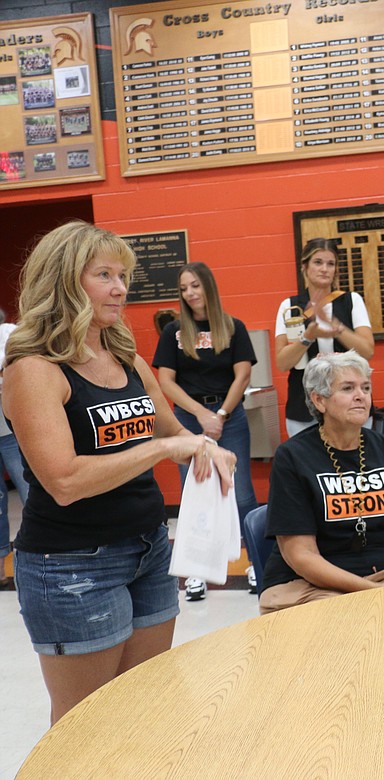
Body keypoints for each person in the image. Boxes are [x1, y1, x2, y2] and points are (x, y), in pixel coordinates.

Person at [4, 221, 235, 724]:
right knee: (84, 724)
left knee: (144, 708)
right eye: (104, 274)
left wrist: (205, 448)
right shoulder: (33, 369)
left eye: (123, 275)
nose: (120, 288)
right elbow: (63, 481)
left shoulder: (124, 355)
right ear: (65, 281)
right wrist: (162, 449)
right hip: (71, 565)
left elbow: (171, 432)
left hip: (149, 549)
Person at [259, 352, 384, 613]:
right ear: (319, 401)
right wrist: (373, 594)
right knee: (349, 625)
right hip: (313, 585)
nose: (361, 396)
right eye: (348, 388)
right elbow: (301, 555)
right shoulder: (293, 457)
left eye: (365, 388)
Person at [152, 262, 259, 600]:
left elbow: (242, 375)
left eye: (195, 286)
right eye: (184, 288)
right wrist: (201, 415)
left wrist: (222, 414)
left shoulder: (232, 327)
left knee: (241, 493)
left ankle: (254, 562)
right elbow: (165, 381)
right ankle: (195, 572)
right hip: (189, 420)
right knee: (195, 492)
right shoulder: (173, 332)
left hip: (230, 418)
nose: (190, 294)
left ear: (209, 287)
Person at [274, 237, 374, 438]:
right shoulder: (290, 306)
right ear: (305, 267)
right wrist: (307, 338)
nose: (324, 269)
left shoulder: (351, 301)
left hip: (350, 403)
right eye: (318, 262)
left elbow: (367, 350)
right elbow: (283, 363)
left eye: (331, 264)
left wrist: (335, 326)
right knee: (307, 465)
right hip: (303, 407)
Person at [0, 306, 29, 590]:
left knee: (30, 491)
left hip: (9, 431)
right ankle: (0, 570)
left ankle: (38, 560)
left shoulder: (8, 333)